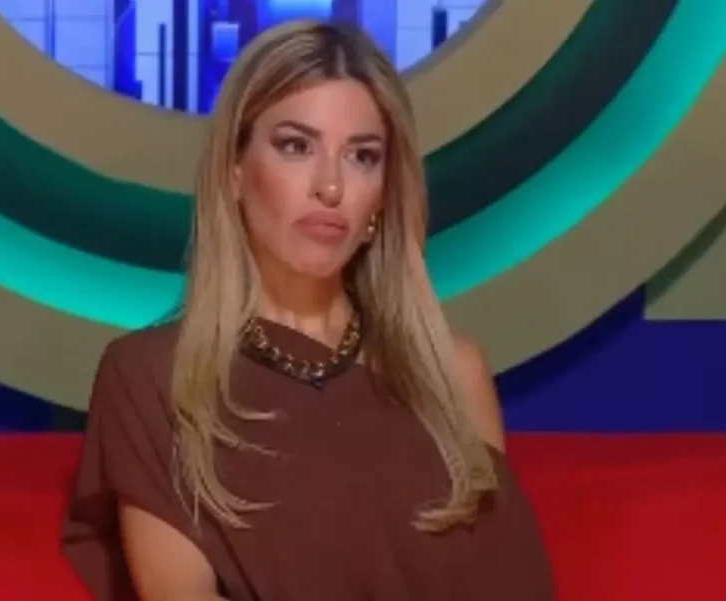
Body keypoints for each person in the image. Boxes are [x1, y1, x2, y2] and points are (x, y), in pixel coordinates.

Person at [60, 20, 553, 601]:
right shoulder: (151, 378)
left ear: (384, 194)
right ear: (234, 172)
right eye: (296, 146)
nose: (331, 187)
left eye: (362, 156)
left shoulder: (452, 371)